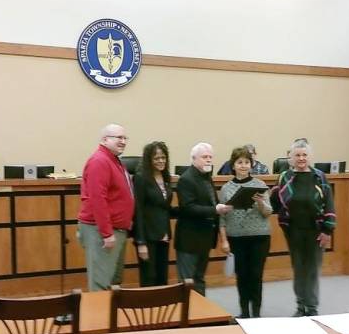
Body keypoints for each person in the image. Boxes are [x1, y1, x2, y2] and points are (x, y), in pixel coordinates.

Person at [271, 139, 336, 317]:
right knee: (299, 269)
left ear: (310, 157)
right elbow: (275, 203)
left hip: (316, 231)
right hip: (293, 230)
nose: (301, 158)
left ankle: (312, 308)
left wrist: (327, 230)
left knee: (313, 269)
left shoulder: (319, 177)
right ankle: (300, 306)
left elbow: (329, 204)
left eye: (304, 155)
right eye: (297, 155)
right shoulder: (285, 176)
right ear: (290, 158)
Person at [77, 124, 135, 291]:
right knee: (100, 284)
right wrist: (107, 233)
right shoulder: (100, 161)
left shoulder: (114, 160)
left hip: (116, 229)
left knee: (112, 281)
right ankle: (98, 317)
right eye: (119, 138)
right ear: (104, 140)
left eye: (125, 138)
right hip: (101, 231)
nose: (123, 141)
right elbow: (97, 200)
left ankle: (108, 316)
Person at [218, 147, 272, 318]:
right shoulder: (226, 188)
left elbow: (268, 212)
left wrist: (261, 203)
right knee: (242, 276)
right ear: (233, 165)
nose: (243, 166)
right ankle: (244, 312)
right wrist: (224, 240)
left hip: (259, 237)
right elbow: (222, 218)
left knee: (256, 276)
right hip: (236, 238)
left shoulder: (260, 185)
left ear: (252, 164)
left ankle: (256, 313)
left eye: (247, 162)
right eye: (239, 162)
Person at [175, 142, 233, 295]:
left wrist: (219, 207)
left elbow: (211, 202)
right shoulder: (186, 179)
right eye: (204, 157)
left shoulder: (207, 177)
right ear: (194, 159)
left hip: (205, 238)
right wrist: (215, 209)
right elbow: (188, 208)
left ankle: (201, 314)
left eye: (210, 157)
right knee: (187, 281)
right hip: (189, 239)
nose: (208, 160)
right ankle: (187, 315)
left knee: (199, 278)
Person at [133, 141, 174, 287]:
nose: (161, 161)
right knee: (149, 278)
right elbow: (138, 211)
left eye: (163, 157)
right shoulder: (141, 178)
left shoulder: (166, 177)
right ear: (148, 160)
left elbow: (164, 207)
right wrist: (141, 242)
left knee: (162, 278)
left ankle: (161, 310)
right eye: (156, 158)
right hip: (148, 237)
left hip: (163, 235)